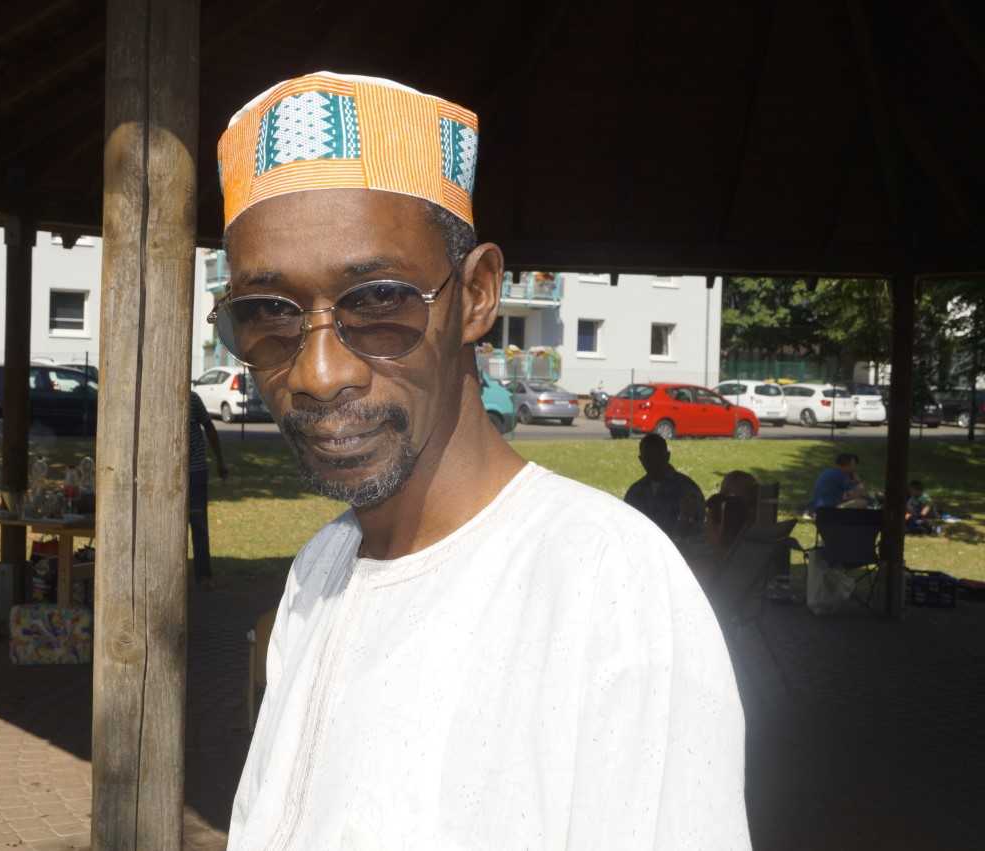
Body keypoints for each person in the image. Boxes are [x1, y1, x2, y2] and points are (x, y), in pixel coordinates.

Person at [214, 72, 749, 849]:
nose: (319, 373)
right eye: (268, 312)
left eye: (378, 299)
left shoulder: (606, 586)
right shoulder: (320, 568)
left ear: (476, 295)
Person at [623, 433, 705, 541]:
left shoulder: (687, 489)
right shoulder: (635, 492)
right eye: (648, 458)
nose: (653, 463)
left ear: (667, 456)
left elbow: (697, 530)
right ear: (641, 459)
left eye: (657, 457)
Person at [188, 389, 228, 588]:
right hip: (168, 475)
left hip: (195, 473)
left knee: (198, 524)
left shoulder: (192, 399)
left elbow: (210, 428)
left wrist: (220, 461)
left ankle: (203, 575)